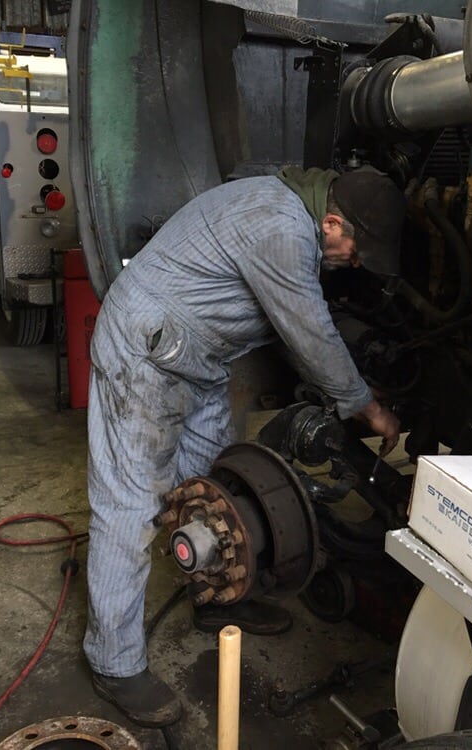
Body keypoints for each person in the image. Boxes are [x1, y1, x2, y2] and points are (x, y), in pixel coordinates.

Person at [84, 166, 405, 727]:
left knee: (214, 488)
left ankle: (212, 596)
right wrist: (366, 406)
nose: (355, 263)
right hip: (144, 348)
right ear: (332, 223)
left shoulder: (291, 209)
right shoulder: (283, 227)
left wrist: (352, 385)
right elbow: (310, 334)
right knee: (132, 505)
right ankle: (114, 663)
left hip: (193, 354)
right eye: (357, 252)